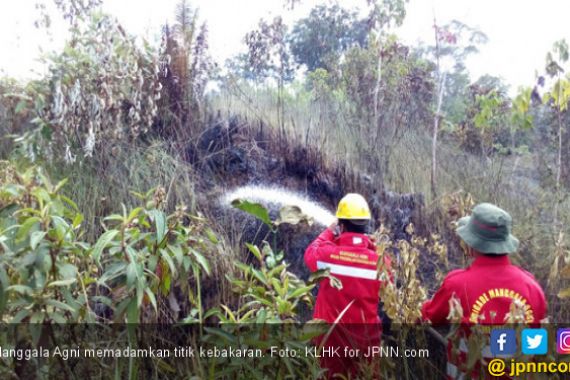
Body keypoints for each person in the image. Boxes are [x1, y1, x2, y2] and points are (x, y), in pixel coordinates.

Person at [422, 203, 547, 379]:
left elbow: (428, 316)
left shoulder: (456, 285)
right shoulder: (532, 288)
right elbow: (537, 344)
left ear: (472, 245)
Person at [304, 193, 391, 378]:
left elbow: (311, 253)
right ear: (365, 226)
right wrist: (371, 246)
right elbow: (388, 280)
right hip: (365, 346)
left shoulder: (327, 256)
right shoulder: (381, 262)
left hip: (331, 344)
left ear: (341, 225)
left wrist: (329, 232)